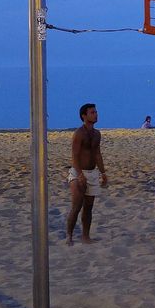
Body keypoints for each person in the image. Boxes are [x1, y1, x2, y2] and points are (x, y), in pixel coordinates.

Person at [67, 103, 108, 245]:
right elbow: (75, 155)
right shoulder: (79, 133)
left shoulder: (97, 134)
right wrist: (79, 174)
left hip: (92, 173)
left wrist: (103, 172)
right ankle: (69, 236)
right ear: (84, 116)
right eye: (92, 112)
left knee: (89, 207)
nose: (96, 114)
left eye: (96, 112)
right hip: (78, 172)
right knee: (77, 205)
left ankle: (85, 236)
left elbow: (97, 154)